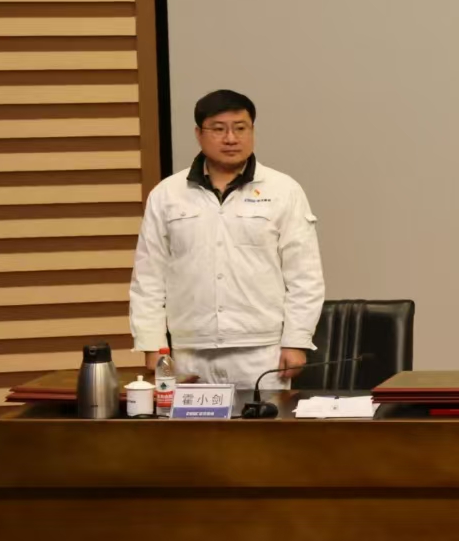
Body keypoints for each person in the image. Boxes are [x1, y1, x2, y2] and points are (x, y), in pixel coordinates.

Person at [128, 89, 324, 389]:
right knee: (187, 423)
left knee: (264, 422)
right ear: (199, 134)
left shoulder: (284, 190)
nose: (231, 138)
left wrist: (296, 341)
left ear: (252, 131)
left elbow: (304, 276)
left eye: (240, 128)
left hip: (262, 353)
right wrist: (152, 344)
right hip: (188, 351)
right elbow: (149, 277)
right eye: (219, 129)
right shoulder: (167, 194)